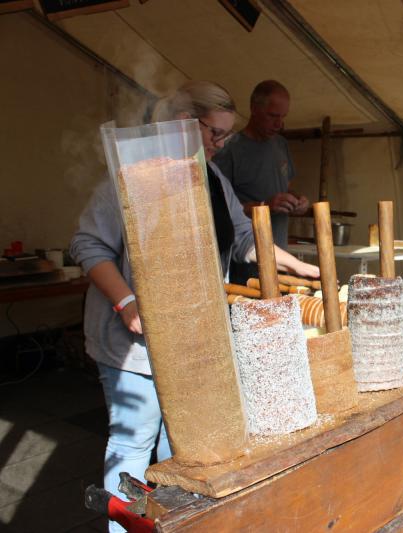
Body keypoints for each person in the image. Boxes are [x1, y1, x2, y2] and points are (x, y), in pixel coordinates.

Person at [70, 81, 319, 532]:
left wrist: (299, 267)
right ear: (185, 123)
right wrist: (127, 302)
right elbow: (88, 245)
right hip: (133, 345)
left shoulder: (212, 178)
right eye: (215, 133)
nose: (220, 144)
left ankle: (177, 525)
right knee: (133, 441)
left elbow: (242, 239)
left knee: (182, 446)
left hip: (193, 339)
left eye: (226, 135)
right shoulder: (129, 175)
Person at [213, 80, 308, 283]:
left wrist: (297, 201)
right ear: (254, 109)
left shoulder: (280, 145)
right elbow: (220, 210)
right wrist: (264, 205)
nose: (279, 124)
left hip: (280, 254)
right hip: (246, 260)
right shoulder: (229, 149)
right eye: (273, 116)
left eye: (283, 117)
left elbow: (286, 187)